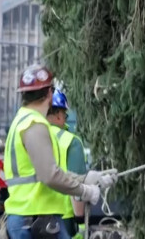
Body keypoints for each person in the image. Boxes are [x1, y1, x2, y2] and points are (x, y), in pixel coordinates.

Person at [2, 65, 116, 239]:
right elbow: (50, 176)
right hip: (36, 220)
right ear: (49, 93)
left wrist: (87, 178)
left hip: (27, 218)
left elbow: (40, 173)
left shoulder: (21, 121)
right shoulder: (35, 125)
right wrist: (84, 191)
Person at [46, 90, 88, 239]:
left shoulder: (29, 136)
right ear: (58, 114)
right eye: (65, 115)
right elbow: (76, 185)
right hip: (62, 219)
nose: (65, 119)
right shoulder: (70, 141)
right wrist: (81, 223)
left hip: (28, 215)